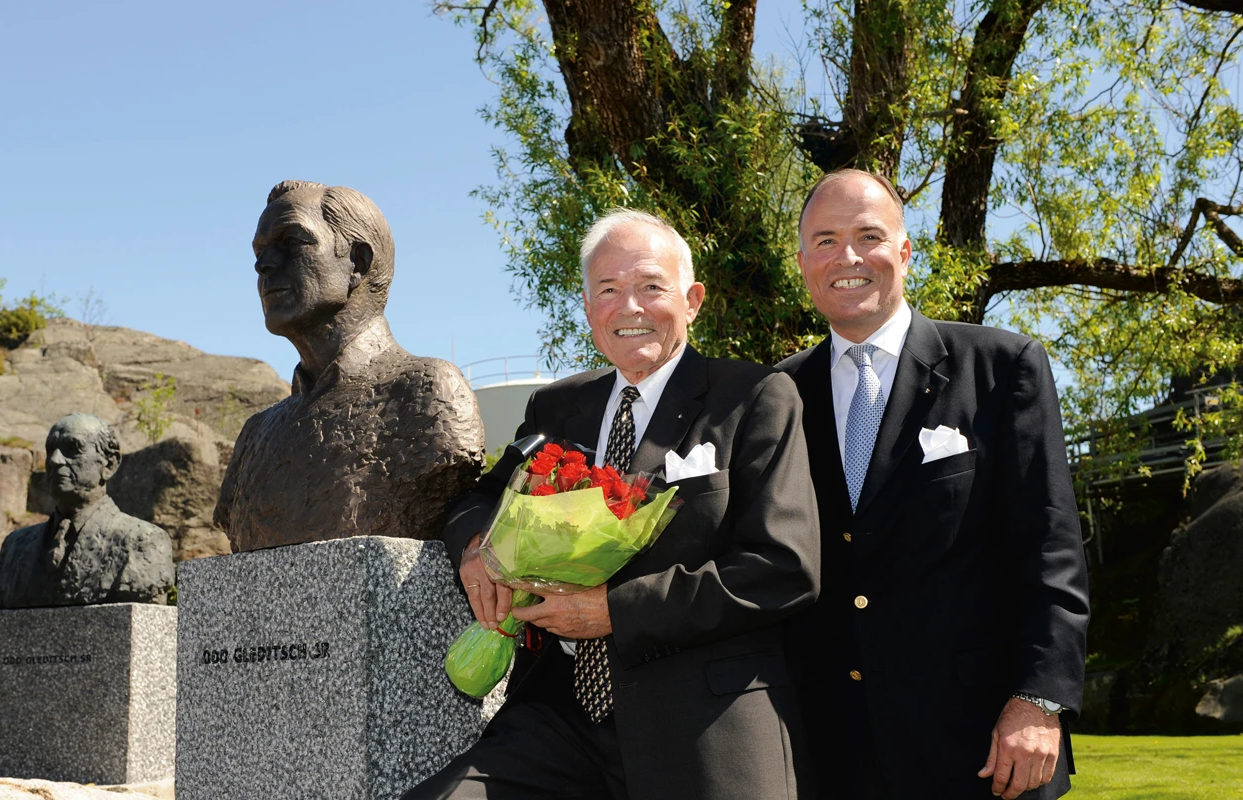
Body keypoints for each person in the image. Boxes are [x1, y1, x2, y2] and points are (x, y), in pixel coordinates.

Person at [405, 209, 820, 800]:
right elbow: (477, 500)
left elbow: (783, 569)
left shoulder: (754, 396)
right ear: (587, 308)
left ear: (692, 299)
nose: (630, 307)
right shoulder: (555, 407)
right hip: (558, 720)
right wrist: (477, 550)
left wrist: (614, 612)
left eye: (651, 286)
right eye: (608, 290)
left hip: (702, 722)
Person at [777, 169, 1091, 799]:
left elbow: (1050, 550)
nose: (849, 258)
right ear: (805, 259)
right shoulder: (776, 395)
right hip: (831, 751)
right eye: (826, 240)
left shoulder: (1003, 367)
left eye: (869, 235)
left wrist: (1039, 702)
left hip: (982, 748)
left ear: (904, 250)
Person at [215, 180, 483, 551]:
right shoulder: (255, 435)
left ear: (358, 262)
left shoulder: (427, 396)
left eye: (292, 242)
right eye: (260, 251)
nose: (264, 265)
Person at [0, 413, 174, 608]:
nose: (55, 460)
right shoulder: (15, 547)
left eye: (73, 448)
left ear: (109, 464)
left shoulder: (143, 542)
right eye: (51, 450)